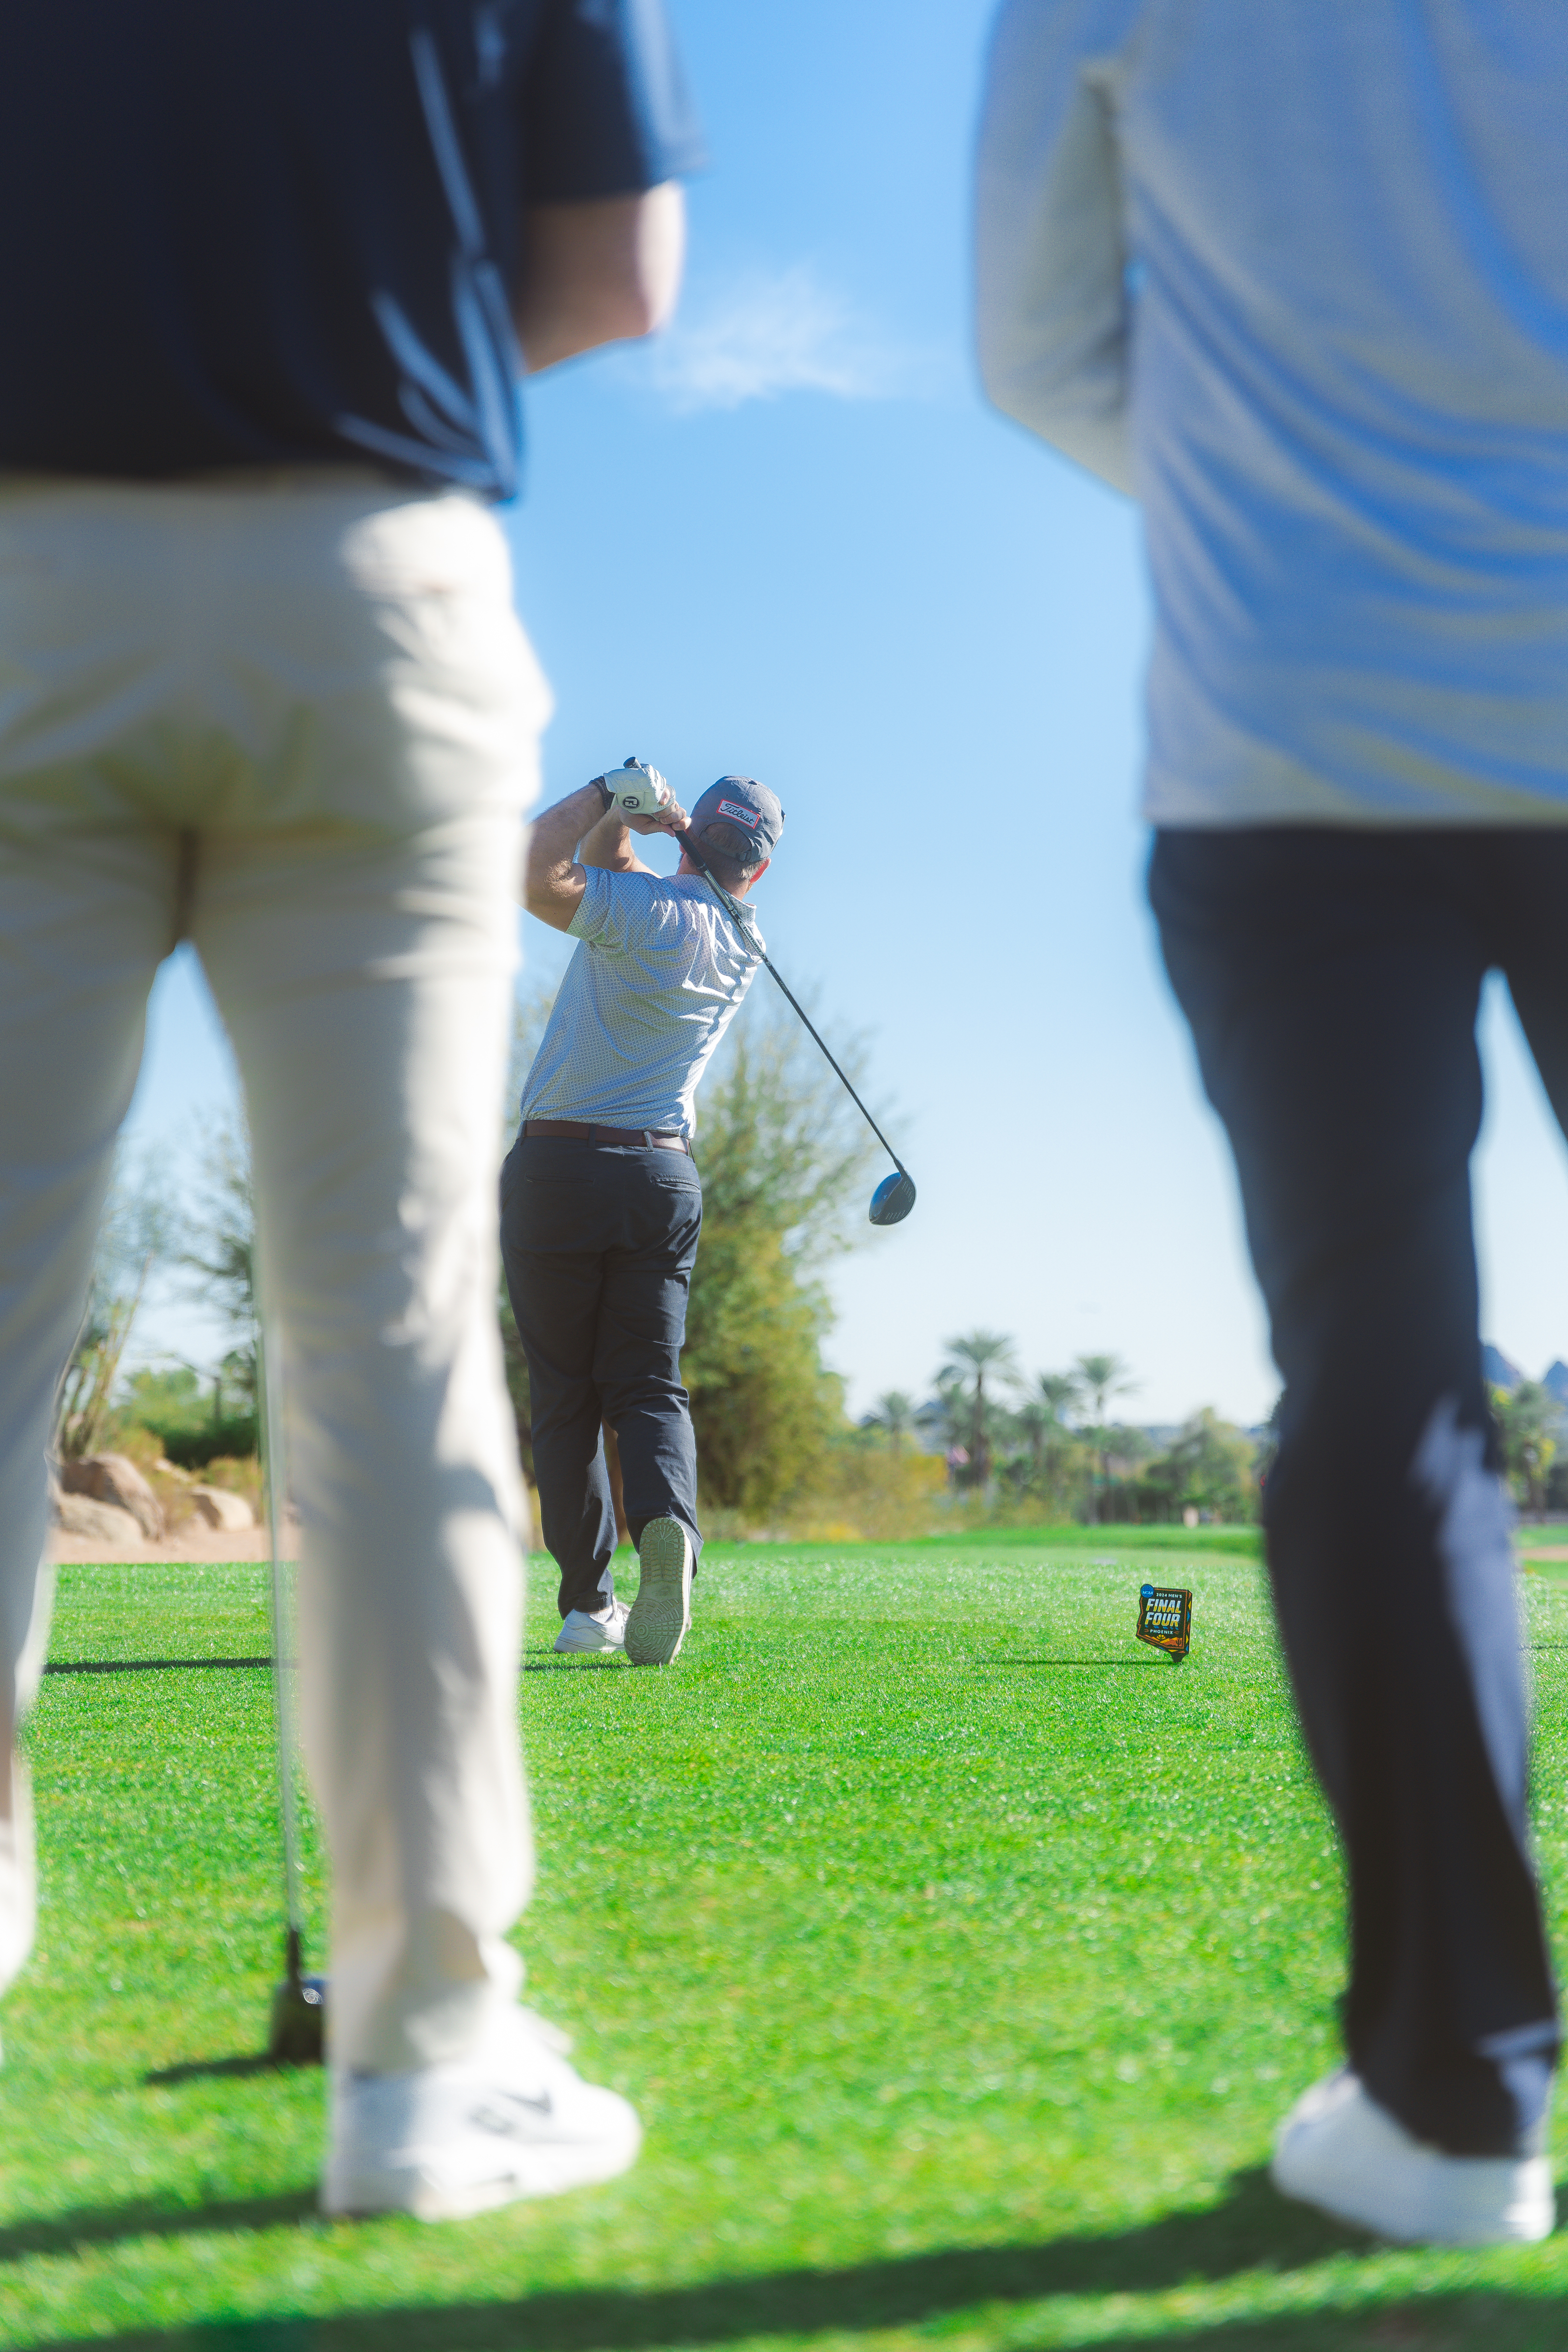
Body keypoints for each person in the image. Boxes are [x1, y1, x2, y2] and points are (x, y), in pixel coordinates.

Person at [0, 1, 702, 2222]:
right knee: (394, 1335)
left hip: (19, 570)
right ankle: (425, 2059)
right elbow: (615, 272)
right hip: (368, 573)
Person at [976, 0, 1568, 2248]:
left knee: (1384, 1382)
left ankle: (1448, 2110)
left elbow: (1034, 349)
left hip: (1290, 726)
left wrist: (1310, 468)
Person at [502, 763, 784, 1664]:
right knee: (647, 1383)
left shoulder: (645, 915)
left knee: (564, 1395)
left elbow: (532, 872)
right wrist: (633, 821)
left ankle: (590, 1606)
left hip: (558, 1168)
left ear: (695, 834)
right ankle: (669, 1525)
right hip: (662, 1179)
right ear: (761, 871)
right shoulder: (746, 938)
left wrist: (603, 792)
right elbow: (609, 869)